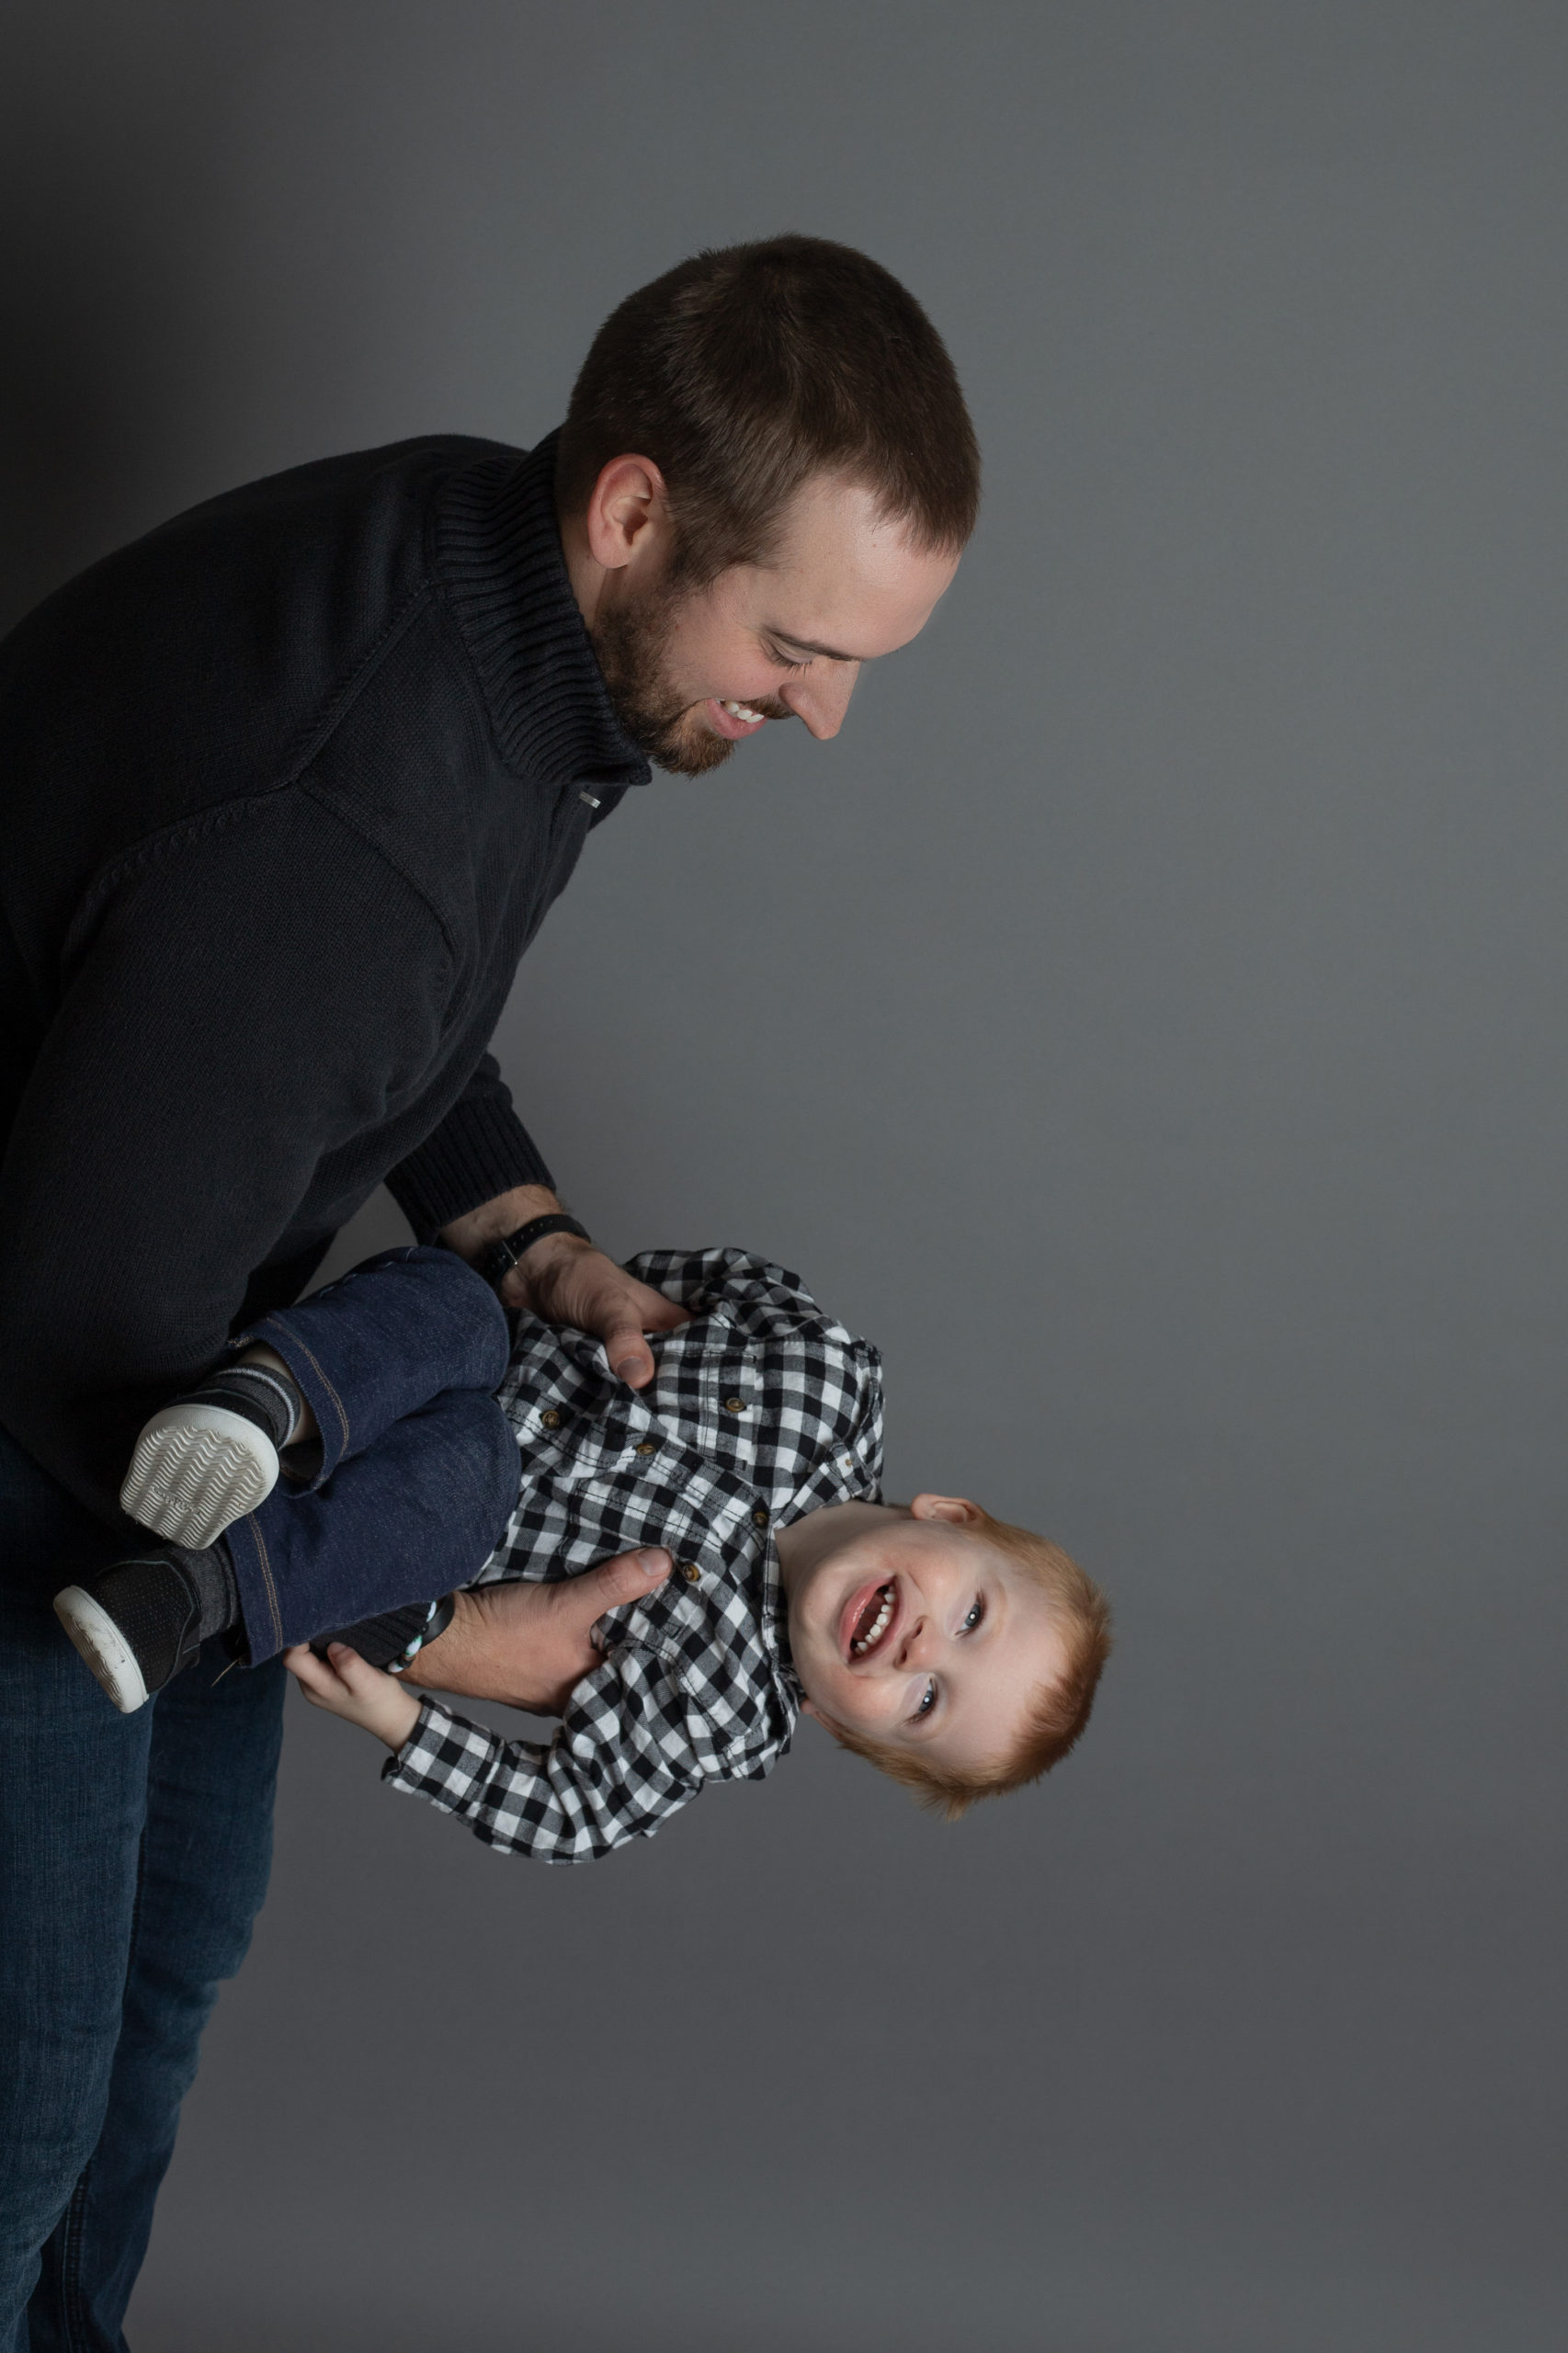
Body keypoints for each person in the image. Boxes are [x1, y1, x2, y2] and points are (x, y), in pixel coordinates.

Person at [0, 234, 980, 2341]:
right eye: (801, 644)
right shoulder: (358, 803)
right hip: (53, 1432)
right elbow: (67, 1332)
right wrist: (422, 1613)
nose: (822, 714)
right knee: (15, 2103)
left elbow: (403, 1013)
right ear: (639, 510)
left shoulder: (506, 586)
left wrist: (523, 1233)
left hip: (176, 1366)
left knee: (165, 1973)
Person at [56, 1245, 1111, 1856]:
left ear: (845, 1728)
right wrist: (602, 1291)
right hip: (436, 1365)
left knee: (468, 1473)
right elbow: (704, 1280)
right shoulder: (826, 1377)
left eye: (927, 1703)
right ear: (953, 1516)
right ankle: (255, 1404)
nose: (921, 1648)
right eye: (972, 1616)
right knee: (456, 1302)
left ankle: (182, 1595)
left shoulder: (720, 1706)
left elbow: (572, 1811)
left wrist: (410, 1725)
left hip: (413, 1521)